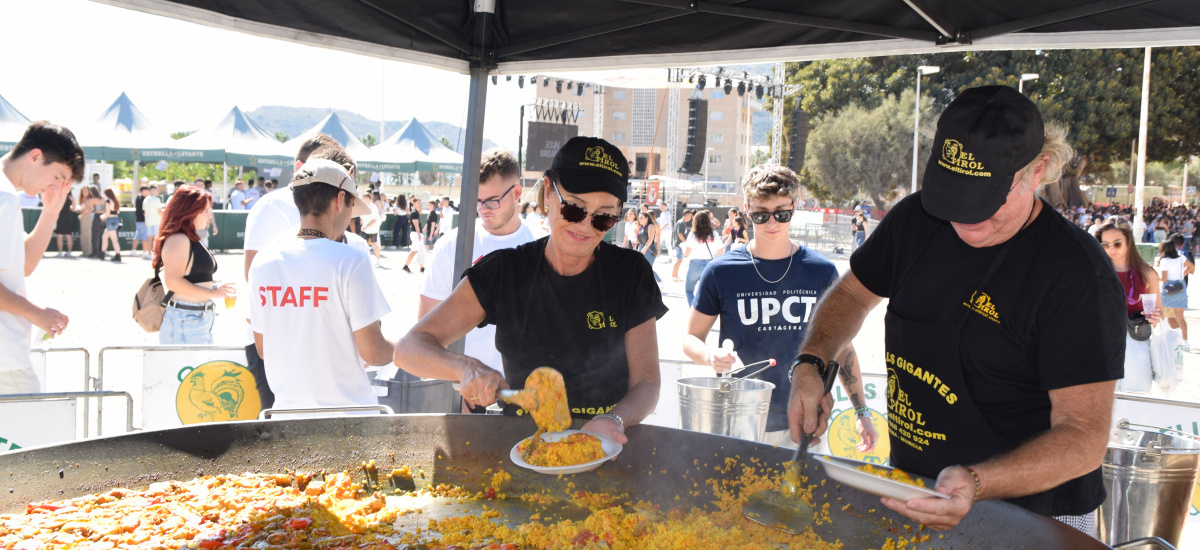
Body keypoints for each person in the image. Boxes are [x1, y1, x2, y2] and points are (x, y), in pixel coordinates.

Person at [789, 86, 1124, 532]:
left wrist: (978, 481)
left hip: (1036, 515)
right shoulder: (914, 221)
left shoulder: (1077, 277)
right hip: (913, 489)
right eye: (954, 195)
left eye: (984, 199)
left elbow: (1084, 438)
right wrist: (812, 361)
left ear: (1038, 170)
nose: (966, 217)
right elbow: (852, 294)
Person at [394, 136, 668, 445]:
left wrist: (613, 419)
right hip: (522, 448)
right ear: (548, 194)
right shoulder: (506, 271)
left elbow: (647, 382)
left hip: (607, 447)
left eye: (604, 216)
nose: (586, 227)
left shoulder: (630, 273)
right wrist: (466, 367)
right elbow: (408, 349)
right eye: (575, 209)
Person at [683, 166, 875, 449]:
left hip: (803, 422)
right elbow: (690, 339)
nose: (772, 222)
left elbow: (844, 347)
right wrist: (711, 355)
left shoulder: (820, 271)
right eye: (761, 214)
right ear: (747, 210)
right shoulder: (721, 271)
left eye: (781, 213)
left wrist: (861, 412)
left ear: (794, 208)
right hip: (738, 419)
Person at [250, 159, 394, 410]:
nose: (351, 216)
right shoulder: (350, 260)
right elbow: (374, 352)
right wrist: (410, 347)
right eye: (351, 205)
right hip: (351, 419)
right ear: (339, 200)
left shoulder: (264, 260)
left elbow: (263, 348)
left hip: (287, 419)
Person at [418, 148, 535, 384]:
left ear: (517, 193)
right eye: (477, 201)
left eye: (492, 201)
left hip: (526, 398)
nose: (483, 210)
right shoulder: (452, 244)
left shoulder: (542, 243)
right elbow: (423, 337)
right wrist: (455, 386)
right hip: (465, 394)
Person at [0, 121, 82, 393]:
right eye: (57, 175)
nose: (55, 185)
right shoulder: (4, 197)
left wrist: (51, 212)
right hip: (5, 357)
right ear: (35, 156)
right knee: (33, 431)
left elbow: (21, 266)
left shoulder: (7, 193)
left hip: (9, 354)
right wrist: (37, 314)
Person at [154, 186, 235, 345]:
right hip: (185, 318)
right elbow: (173, 281)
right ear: (189, 212)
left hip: (195, 317)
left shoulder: (189, 238)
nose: (210, 215)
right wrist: (214, 292)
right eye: (205, 211)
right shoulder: (179, 239)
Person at [1096, 217, 1160, 393]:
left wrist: (1155, 316)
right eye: (1105, 244)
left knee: (1136, 402)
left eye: (1117, 244)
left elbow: (1157, 316)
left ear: (1129, 242)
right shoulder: (1094, 272)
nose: (1111, 249)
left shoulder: (1147, 273)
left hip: (1136, 343)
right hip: (1102, 343)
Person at [680, 210, 725, 306]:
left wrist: (683, 247)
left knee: (689, 291)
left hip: (695, 264)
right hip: (709, 264)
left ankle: (693, 310)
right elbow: (721, 251)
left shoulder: (693, 234)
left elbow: (687, 253)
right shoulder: (713, 234)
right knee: (707, 292)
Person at [1156, 238, 1193, 349]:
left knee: (1165, 316)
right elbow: (1191, 266)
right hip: (1180, 288)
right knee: (1180, 317)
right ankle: (1185, 342)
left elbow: (1164, 278)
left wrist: (1155, 278)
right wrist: (1181, 275)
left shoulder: (1164, 261)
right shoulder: (1181, 257)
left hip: (1168, 290)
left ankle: (1166, 339)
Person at [402, 198, 427, 273]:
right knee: (414, 251)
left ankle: (421, 267)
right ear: (414, 203)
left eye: (420, 203)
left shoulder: (416, 212)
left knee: (419, 250)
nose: (420, 204)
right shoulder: (414, 212)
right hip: (416, 234)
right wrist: (419, 234)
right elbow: (416, 224)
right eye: (418, 203)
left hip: (416, 233)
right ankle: (406, 266)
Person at [636, 211, 661, 282]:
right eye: (639, 218)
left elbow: (651, 239)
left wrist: (644, 249)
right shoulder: (641, 227)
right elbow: (639, 239)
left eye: (641, 218)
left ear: (647, 218)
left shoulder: (650, 226)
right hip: (641, 248)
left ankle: (658, 281)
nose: (640, 220)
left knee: (647, 268)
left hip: (649, 249)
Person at [99, 188, 122, 262]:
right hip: (115, 219)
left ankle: (117, 255)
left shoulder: (108, 201)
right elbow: (118, 211)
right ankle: (102, 253)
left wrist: (102, 216)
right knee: (105, 236)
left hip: (110, 220)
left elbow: (107, 212)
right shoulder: (116, 201)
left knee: (113, 239)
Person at [360, 190, 382, 266]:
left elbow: (375, 219)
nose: (363, 199)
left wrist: (367, 226)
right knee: (363, 244)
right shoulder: (362, 206)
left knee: (374, 244)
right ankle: (364, 260)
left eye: (365, 198)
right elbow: (361, 217)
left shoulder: (373, 207)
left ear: (369, 198)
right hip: (364, 229)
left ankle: (378, 260)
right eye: (363, 198)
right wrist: (363, 224)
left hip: (373, 229)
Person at [53, 189, 77, 258]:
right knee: (68, 235)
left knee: (60, 235)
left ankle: (60, 252)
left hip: (60, 217)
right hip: (67, 217)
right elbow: (74, 209)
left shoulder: (59, 197)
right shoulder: (70, 198)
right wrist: (73, 201)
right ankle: (69, 252)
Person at [671, 209, 694, 281]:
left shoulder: (681, 222)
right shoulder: (681, 223)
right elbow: (679, 233)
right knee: (679, 260)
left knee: (679, 260)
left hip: (678, 243)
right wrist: (685, 242)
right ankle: (674, 275)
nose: (690, 218)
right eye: (690, 216)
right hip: (679, 244)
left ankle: (675, 275)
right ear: (686, 215)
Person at [143, 184, 163, 260]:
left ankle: (149, 253)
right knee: (156, 238)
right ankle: (155, 253)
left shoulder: (146, 199)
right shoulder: (156, 199)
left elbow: (144, 212)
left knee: (149, 238)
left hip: (148, 221)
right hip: (156, 221)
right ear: (154, 191)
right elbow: (159, 211)